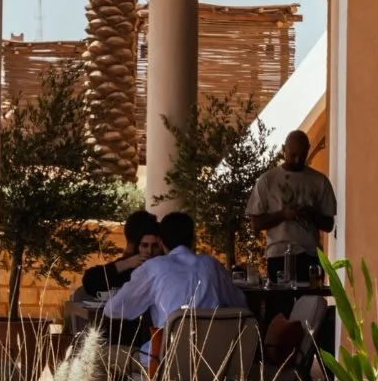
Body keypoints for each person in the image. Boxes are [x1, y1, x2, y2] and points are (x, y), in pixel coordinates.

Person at [101, 211, 247, 352]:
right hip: (215, 358)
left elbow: (112, 310)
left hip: (166, 359)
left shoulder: (153, 268)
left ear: (160, 241)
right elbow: (240, 304)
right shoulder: (213, 265)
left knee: (107, 354)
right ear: (193, 240)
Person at [245, 130, 337, 284]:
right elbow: (255, 222)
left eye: (302, 156)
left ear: (308, 150)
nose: (297, 160)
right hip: (278, 254)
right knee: (281, 299)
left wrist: (311, 214)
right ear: (283, 150)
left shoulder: (320, 181)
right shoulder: (268, 180)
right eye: (293, 155)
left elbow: (329, 224)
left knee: (310, 298)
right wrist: (283, 215)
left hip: (310, 255)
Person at [82, 209, 163, 296]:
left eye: (155, 245)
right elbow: (90, 281)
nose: (149, 251)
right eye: (144, 245)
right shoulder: (130, 266)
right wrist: (127, 263)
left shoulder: (164, 264)